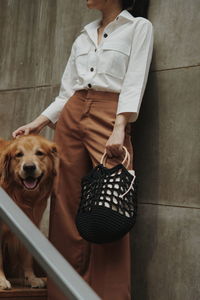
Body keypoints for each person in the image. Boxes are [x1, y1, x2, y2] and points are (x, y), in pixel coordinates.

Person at [13, 0, 153, 299]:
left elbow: (134, 82)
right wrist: (38, 123)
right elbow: (68, 91)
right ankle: (64, 292)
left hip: (110, 113)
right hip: (73, 113)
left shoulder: (138, 27)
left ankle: (109, 294)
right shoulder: (84, 34)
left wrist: (120, 126)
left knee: (110, 204)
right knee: (64, 201)